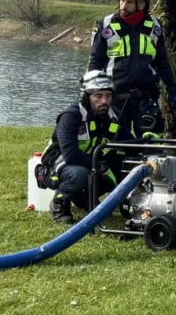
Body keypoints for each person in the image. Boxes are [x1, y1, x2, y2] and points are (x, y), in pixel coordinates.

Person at [88, 0, 176, 140]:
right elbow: (95, 62)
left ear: (142, 4)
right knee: (114, 146)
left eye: (129, 2)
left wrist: (172, 89)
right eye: (122, 0)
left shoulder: (154, 26)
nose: (123, 6)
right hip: (114, 98)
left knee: (151, 147)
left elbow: (162, 61)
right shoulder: (105, 25)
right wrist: (91, 92)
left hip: (146, 98)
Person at [47, 70, 133, 225]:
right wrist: (99, 167)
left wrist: (147, 143)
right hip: (61, 165)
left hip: (92, 163)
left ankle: (84, 198)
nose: (104, 101)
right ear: (86, 97)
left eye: (108, 95)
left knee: (123, 163)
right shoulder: (71, 116)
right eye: (98, 96)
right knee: (80, 174)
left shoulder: (114, 116)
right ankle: (60, 203)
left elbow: (129, 145)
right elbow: (70, 154)